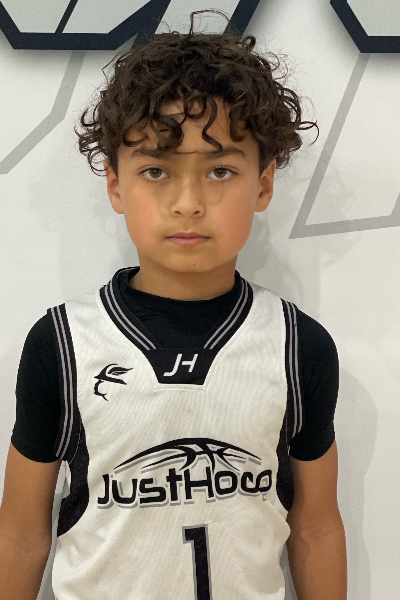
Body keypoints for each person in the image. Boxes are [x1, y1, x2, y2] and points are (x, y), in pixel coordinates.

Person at [0, 9, 347, 600]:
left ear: (264, 183)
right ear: (115, 183)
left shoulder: (298, 346)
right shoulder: (63, 343)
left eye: (220, 170)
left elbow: (314, 529)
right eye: (156, 170)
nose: (188, 203)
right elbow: (21, 533)